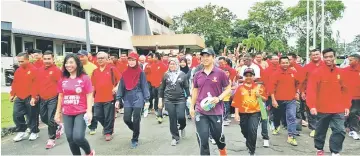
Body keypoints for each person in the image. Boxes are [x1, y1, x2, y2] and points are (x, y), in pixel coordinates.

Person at [307, 48, 351, 156]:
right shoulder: (317, 73)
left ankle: (335, 151)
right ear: (323, 58)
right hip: (322, 108)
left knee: (340, 130)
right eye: (326, 57)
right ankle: (319, 148)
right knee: (321, 131)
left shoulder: (341, 72)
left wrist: (347, 106)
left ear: (335, 57)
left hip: (338, 108)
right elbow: (311, 90)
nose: (328, 59)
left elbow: (346, 90)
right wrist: (311, 105)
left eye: (330, 56)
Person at [190, 48, 231, 156]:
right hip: (201, 111)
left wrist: (219, 98)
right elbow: (194, 90)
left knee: (218, 137)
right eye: (203, 56)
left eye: (208, 56)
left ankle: (222, 151)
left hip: (216, 111)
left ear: (213, 57)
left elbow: (228, 88)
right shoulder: (197, 74)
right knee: (202, 138)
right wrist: (191, 107)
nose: (205, 58)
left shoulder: (220, 73)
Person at [54, 53, 95, 156]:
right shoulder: (63, 79)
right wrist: (57, 113)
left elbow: (89, 95)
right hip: (67, 112)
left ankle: (89, 152)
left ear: (77, 63)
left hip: (80, 112)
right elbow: (60, 96)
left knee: (78, 137)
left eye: (71, 62)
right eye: (66, 63)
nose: (68, 65)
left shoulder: (84, 78)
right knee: (70, 138)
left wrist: (89, 111)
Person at [115, 52, 150, 148]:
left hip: (138, 96)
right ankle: (135, 129)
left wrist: (147, 99)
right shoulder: (125, 73)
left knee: (136, 119)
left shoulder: (141, 72)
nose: (131, 62)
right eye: (129, 60)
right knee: (126, 118)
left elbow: (144, 85)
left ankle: (135, 138)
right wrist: (118, 99)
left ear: (136, 61)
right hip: (127, 97)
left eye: (133, 60)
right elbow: (121, 87)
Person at [232, 68, 267, 156]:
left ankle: (252, 151)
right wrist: (236, 114)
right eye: (246, 76)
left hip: (255, 112)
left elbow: (265, 98)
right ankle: (248, 140)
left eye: (250, 76)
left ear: (253, 77)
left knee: (253, 130)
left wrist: (260, 96)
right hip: (243, 112)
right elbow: (236, 101)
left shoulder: (259, 87)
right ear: (244, 77)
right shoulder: (240, 88)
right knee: (244, 131)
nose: (248, 77)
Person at [33, 51, 62, 148]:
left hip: (53, 98)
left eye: (49, 59)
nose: (47, 61)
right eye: (45, 59)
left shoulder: (57, 70)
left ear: (53, 59)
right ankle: (58, 126)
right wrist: (34, 96)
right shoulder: (39, 70)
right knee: (44, 117)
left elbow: (61, 85)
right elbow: (36, 84)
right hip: (42, 98)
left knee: (50, 119)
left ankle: (51, 139)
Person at [269, 56, 300, 146]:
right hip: (278, 100)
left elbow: (298, 83)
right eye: (283, 63)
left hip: (291, 100)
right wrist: (273, 100)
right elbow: (271, 88)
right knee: (277, 116)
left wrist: (297, 92)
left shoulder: (293, 72)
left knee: (291, 117)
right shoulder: (275, 74)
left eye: (287, 62)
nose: (285, 64)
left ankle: (291, 136)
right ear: (280, 63)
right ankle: (276, 126)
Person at [158, 58, 190, 146]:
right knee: (172, 119)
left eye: (174, 64)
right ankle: (175, 137)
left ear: (177, 65)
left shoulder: (182, 74)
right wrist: (160, 100)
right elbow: (162, 88)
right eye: (171, 64)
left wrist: (189, 98)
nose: (172, 65)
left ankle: (182, 126)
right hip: (169, 99)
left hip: (180, 99)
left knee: (181, 117)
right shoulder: (165, 75)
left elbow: (186, 87)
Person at [91, 52, 121, 141]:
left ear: (107, 59)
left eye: (102, 58)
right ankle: (108, 127)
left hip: (109, 97)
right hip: (97, 98)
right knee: (97, 115)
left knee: (109, 116)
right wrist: (91, 97)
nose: (100, 60)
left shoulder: (112, 69)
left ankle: (108, 132)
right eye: (98, 58)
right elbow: (92, 85)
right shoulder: (95, 71)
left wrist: (116, 87)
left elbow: (121, 80)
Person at [11, 52, 39, 142]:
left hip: (30, 96)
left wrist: (34, 97)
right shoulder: (18, 71)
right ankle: (21, 130)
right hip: (19, 96)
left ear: (27, 60)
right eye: (19, 61)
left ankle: (34, 132)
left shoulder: (34, 70)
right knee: (16, 114)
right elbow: (15, 83)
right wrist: (12, 94)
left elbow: (36, 85)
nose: (20, 63)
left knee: (31, 115)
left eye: (22, 61)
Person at [301, 49, 324, 137]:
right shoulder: (307, 67)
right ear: (310, 56)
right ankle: (314, 128)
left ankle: (321, 127)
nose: (315, 56)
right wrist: (303, 92)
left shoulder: (325, 65)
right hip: (310, 92)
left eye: (317, 54)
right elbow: (303, 81)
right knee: (310, 110)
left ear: (320, 55)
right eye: (313, 55)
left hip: (323, 92)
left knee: (322, 110)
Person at [77, 50, 98, 135]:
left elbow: (96, 81)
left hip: (89, 92)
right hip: (78, 92)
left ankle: (92, 127)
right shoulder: (76, 66)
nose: (80, 58)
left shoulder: (93, 67)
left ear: (87, 56)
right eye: (79, 56)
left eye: (82, 56)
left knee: (90, 109)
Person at [343, 54, 360, 140]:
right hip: (347, 96)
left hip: (357, 96)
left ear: (357, 61)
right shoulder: (345, 70)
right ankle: (347, 127)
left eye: (351, 60)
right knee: (347, 113)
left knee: (354, 113)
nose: (349, 62)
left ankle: (354, 130)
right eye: (348, 60)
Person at [149, 52, 167, 123]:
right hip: (153, 85)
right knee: (155, 98)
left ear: (156, 57)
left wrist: (162, 83)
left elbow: (165, 75)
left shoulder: (163, 65)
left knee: (160, 99)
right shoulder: (152, 65)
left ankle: (160, 114)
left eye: (153, 57)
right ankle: (156, 110)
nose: (152, 58)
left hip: (160, 85)